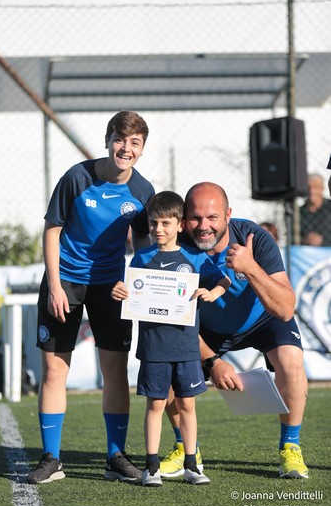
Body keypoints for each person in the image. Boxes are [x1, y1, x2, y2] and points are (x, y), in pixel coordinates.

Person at [27, 111, 155, 484]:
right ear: (107, 140)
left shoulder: (143, 192)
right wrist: (54, 285)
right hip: (64, 280)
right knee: (54, 370)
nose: (125, 149)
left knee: (114, 370)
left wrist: (136, 283)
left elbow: (144, 245)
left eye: (134, 143)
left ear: (142, 149)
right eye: (119, 139)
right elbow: (52, 231)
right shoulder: (76, 177)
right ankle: (52, 458)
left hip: (110, 288)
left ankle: (115, 456)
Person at [160, 182, 309, 480]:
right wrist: (212, 361)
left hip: (261, 319)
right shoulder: (175, 248)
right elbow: (171, 318)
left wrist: (250, 267)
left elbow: (285, 308)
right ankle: (187, 450)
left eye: (212, 217)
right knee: (164, 372)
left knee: (291, 362)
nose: (203, 226)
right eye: (195, 218)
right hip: (206, 327)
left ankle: (290, 448)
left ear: (228, 214)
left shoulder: (255, 237)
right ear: (184, 218)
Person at [111, 191, 230, 486]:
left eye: (165, 223)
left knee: (188, 405)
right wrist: (119, 291)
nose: (158, 229)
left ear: (179, 225)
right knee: (156, 405)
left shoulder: (194, 257)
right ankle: (151, 467)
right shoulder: (141, 257)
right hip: (153, 348)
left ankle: (192, 465)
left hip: (187, 347)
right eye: (153, 223)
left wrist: (212, 292)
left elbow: (224, 278)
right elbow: (130, 292)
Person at [299, 173, 331, 246]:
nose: (311, 191)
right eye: (309, 187)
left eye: (316, 187)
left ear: (322, 189)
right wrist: (305, 239)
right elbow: (292, 237)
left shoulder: (329, 208)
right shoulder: (298, 213)